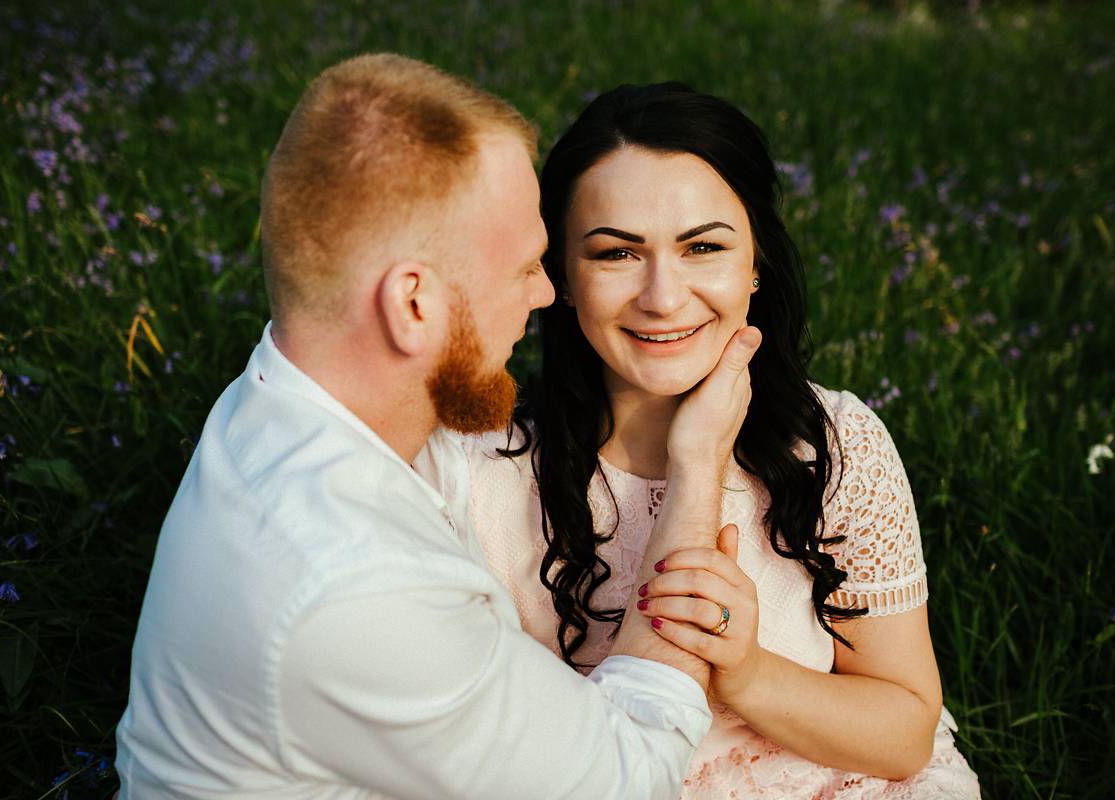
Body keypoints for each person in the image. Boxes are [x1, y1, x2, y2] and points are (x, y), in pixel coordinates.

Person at [114, 56, 763, 799]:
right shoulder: (359, 588)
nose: (547, 294)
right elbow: (630, 775)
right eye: (523, 269)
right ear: (413, 306)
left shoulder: (279, 399)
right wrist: (698, 462)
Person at [466, 83, 982, 798]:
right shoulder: (484, 473)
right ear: (564, 278)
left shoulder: (833, 445)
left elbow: (903, 733)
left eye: (702, 247)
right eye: (616, 254)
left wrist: (748, 670)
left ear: (756, 262)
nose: (663, 297)